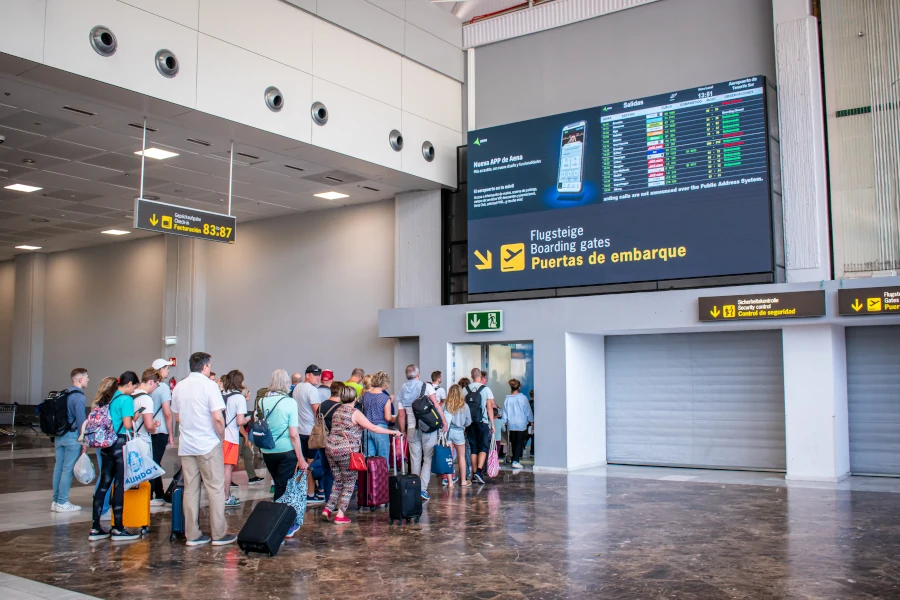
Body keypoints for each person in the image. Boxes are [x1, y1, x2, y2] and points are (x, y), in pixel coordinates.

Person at [171, 352, 236, 547]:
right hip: (208, 443)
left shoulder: (179, 387)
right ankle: (218, 533)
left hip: (187, 445)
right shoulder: (210, 386)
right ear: (205, 367)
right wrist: (222, 436)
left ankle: (192, 534)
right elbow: (217, 417)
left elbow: (177, 417)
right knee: (215, 488)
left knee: (191, 489)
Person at [322, 385, 401, 524]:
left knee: (338, 481)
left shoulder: (337, 411)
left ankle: (328, 509)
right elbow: (373, 427)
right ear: (354, 398)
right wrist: (393, 432)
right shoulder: (355, 412)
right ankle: (340, 515)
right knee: (349, 483)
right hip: (346, 451)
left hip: (330, 449)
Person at [89, 371, 141, 542]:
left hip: (105, 445)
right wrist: (134, 419)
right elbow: (127, 424)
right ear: (129, 384)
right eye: (134, 387)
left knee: (104, 483)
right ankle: (118, 528)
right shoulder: (125, 400)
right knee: (119, 484)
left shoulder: (107, 398)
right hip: (118, 444)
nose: (133, 391)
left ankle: (95, 528)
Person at [259, 369, 308, 537]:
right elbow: (293, 434)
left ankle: (278, 519)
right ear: (287, 383)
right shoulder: (290, 403)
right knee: (284, 487)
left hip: (267, 449)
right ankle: (281, 523)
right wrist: (301, 458)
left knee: (279, 484)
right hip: (286, 450)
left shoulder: (263, 401)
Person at [397, 364, 447, 501]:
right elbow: (436, 405)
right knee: (428, 458)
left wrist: (403, 431)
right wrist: (444, 421)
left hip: (412, 429)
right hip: (428, 428)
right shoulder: (426, 386)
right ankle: (422, 489)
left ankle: (414, 487)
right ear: (418, 375)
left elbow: (401, 414)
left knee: (415, 459)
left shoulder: (402, 389)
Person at [51, 368, 89, 513]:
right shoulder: (79, 397)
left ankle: (55, 501)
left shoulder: (64, 394)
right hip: (72, 437)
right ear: (80, 379)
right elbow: (81, 422)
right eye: (86, 377)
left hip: (59, 436)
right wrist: (83, 442)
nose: (88, 380)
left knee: (58, 468)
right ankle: (63, 502)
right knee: (67, 470)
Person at [293, 364, 324, 505]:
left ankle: (299, 491)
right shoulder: (312, 390)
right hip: (311, 432)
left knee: (301, 462)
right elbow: (317, 412)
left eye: (319, 375)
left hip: (299, 431)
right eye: (315, 375)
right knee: (311, 464)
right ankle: (310, 494)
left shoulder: (297, 388)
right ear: (307, 375)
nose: (318, 378)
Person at [222, 370, 249, 508]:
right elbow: (240, 421)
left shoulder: (223, 394)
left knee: (219, 468)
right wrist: (248, 418)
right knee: (227, 469)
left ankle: (219, 496)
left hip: (218, 436)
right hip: (231, 437)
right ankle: (226, 497)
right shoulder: (239, 398)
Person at [149, 359, 175, 505]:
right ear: (160, 370)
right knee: (155, 463)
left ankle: (158, 493)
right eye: (166, 368)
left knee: (153, 461)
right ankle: (152, 494)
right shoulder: (163, 388)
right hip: (160, 429)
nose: (168, 371)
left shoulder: (148, 385)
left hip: (149, 428)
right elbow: (167, 413)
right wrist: (171, 434)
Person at [91, 377, 117, 519]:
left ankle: (99, 506)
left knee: (103, 474)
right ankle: (104, 508)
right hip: (108, 442)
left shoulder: (96, 403)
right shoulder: (112, 404)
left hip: (98, 441)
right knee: (107, 476)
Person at [466, 367, 497, 485]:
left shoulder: (465, 390)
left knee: (473, 448)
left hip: (470, 423)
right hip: (482, 422)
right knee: (483, 447)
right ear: (480, 377)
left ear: (471, 376)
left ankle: (474, 474)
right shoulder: (486, 389)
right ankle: (479, 471)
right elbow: (489, 407)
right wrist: (492, 424)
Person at [443, 384, 472, 488]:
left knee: (449, 458)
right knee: (461, 457)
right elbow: (468, 422)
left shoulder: (446, 405)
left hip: (448, 433)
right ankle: (463, 481)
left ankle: (450, 482)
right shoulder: (465, 406)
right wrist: (462, 424)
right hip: (459, 433)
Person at [360, 370, 394, 460]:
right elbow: (387, 417)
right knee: (383, 457)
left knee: (368, 458)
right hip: (380, 428)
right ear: (384, 383)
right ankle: (382, 474)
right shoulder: (385, 398)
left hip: (367, 428)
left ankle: (370, 474)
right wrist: (394, 419)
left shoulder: (365, 395)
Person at [503, 379, 533, 469]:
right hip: (521, 424)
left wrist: (504, 422)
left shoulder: (507, 399)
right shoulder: (523, 398)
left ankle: (514, 459)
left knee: (514, 442)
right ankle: (515, 461)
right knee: (519, 443)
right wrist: (531, 421)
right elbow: (528, 411)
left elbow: (505, 413)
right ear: (519, 387)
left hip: (511, 424)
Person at [238, 386, 263, 485]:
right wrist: (245, 435)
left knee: (248, 455)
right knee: (234, 459)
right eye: (248, 392)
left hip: (244, 435)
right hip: (240, 435)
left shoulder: (243, 404)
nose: (250, 393)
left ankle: (252, 477)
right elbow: (239, 423)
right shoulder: (240, 404)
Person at [131, 369, 161, 444]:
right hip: (142, 440)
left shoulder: (131, 394)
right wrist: (154, 428)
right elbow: (149, 426)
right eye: (157, 384)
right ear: (151, 382)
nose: (156, 387)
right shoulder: (146, 398)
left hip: (130, 438)